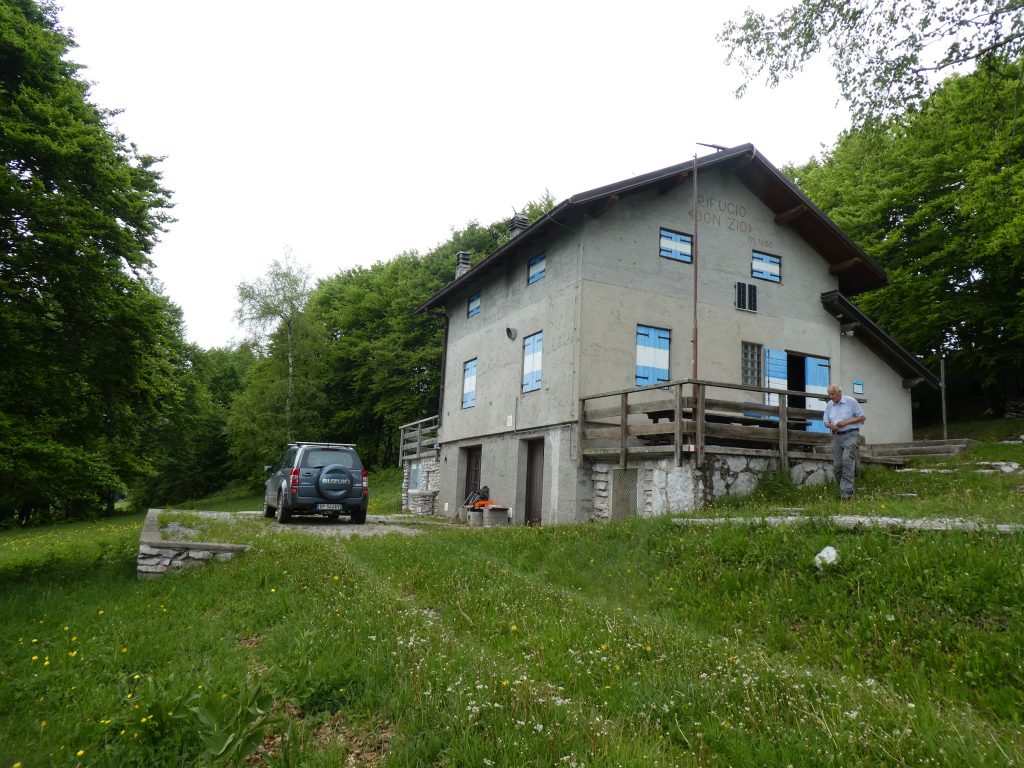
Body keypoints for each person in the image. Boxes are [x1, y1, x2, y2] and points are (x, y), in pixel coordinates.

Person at [823, 384, 866, 500]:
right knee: (838, 465)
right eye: (829, 394)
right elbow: (825, 421)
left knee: (847, 460)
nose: (831, 396)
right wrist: (831, 426)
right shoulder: (829, 405)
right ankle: (843, 489)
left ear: (839, 392)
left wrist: (845, 422)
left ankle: (846, 493)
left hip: (851, 434)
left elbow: (862, 417)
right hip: (836, 436)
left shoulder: (850, 401)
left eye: (833, 394)